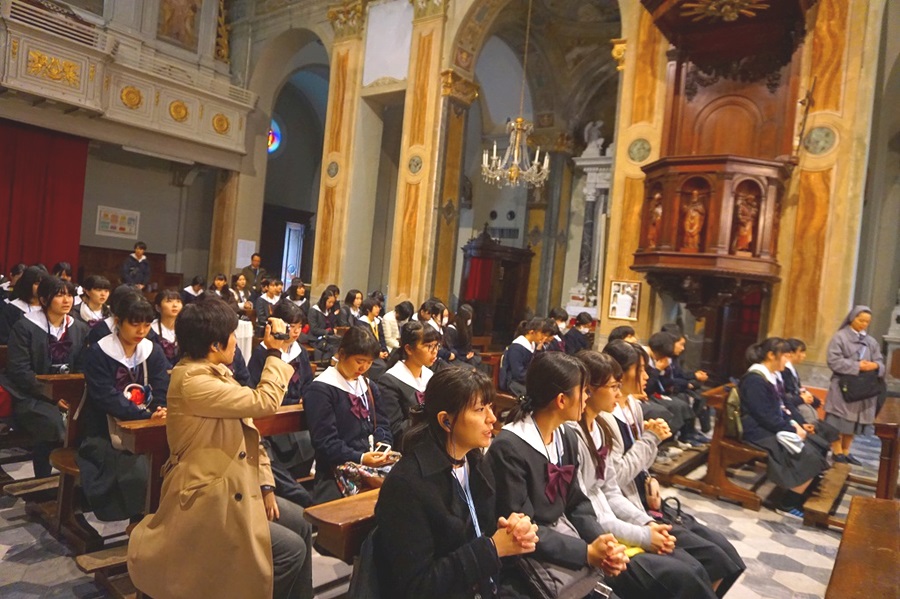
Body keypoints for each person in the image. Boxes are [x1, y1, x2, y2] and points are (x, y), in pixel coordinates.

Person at [126, 301, 313, 599]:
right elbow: (264, 402)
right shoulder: (192, 380)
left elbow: (250, 431)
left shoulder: (217, 372)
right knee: (290, 551)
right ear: (215, 345)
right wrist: (274, 352)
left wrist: (266, 484)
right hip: (209, 496)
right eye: (232, 335)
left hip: (238, 483)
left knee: (301, 522)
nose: (236, 342)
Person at [574, 350, 742, 598]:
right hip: (600, 536)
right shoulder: (577, 434)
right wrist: (644, 534)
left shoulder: (602, 427)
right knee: (686, 572)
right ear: (588, 390)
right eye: (614, 386)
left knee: (708, 561)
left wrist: (648, 523)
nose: (645, 377)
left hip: (627, 514)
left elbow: (610, 489)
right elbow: (589, 507)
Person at [374, 367, 538, 598]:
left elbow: (487, 534)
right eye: (480, 409)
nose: (492, 418)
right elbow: (418, 587)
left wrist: (513, 533)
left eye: (490, 406)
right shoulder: (406, 485)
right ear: (446, 421)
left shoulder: (476, 462)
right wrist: (492, 549)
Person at [489, 352, 629, 596]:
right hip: (528, 559)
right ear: (561, 400)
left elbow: (577, 503)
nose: (587, 397)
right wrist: (585, 552)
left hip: (563, 543)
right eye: (583, 391)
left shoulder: (566, 436)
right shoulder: (509, 448)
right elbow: (522, 528)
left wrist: (603, 542)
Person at [77, 293, 169, 521]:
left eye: (147, 324)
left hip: (148, 425)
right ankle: (139, 520)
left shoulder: (153, 351)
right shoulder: (99, 352)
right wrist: (143, 415)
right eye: (135, 324)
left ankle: (156, 521)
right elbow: (104, 396)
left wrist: (160, 409)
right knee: (137, 471)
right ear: (118, 321)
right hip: (104, 429)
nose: (142, 330)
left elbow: (161, 387)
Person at [0, 276, 89, 477]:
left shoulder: (79, 328)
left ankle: (77, 482)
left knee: (89, 419)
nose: (67, 300)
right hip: (30, 394)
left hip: (68, 395)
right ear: (43, 299)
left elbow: (82, 366)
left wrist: (71, 394)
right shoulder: (25, 327)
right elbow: (19, 371)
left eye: (70, 295)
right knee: (51, 422)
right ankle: (43, 479)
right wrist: (53, 397)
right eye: (59, 295)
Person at [740, 337, 828, 518]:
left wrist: (796, 423)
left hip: (770, 426)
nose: (787, 361)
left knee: (818, 444)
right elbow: (764, 415)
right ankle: (788, 503)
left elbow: (781, 406)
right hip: (757, 431)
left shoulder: (772, 376)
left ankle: (801, 487)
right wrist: (791, 429)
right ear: (771, 355)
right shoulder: (755, 379)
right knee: (808, 455)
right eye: (785, 356)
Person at [303, 327, 393, 504]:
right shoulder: (321, 389)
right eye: (359, 361)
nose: (364, 367)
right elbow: (325, 442)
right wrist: (360, 458)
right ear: (342, 354)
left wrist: (383, 444)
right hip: (335, 470)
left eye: (369, 362)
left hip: (370, 464)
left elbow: (382, 424)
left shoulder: (368, 386)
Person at [248, 301, 315, 507]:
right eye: (291, 327)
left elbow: (308, 381)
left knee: (308, 443)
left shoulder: (299, 352)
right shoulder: (262, 353)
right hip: (273, 414)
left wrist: (306, 396)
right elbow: (254, 387)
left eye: (299, 327)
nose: (295, 332)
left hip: (296, 412)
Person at [824, 306, 886, 465]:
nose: (864, 324)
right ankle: (837, 451)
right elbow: (833, 361)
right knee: (839, 420)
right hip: (844, 387)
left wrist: (875, 366)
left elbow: (880, 361)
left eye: (867, 322)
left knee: (854, 422)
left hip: (863, 388)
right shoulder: (840, 337)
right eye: (861, 320)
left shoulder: (871, 341)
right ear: (852, 318)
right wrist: (857, 366)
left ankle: (846, 451)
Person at [378, 321, 441, 447]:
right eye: (429, 346)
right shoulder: (390, 381)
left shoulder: (430, 376)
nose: (435, 351)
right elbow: (396, 429)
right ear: (408, 349)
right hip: (409, 446)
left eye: (436, 345)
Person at [499, 318, 554, 397]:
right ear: (532, 332)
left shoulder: (534, 345)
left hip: (527, 380)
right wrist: (535, 379)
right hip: (513, 382)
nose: (544, 337)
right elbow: (518, 373)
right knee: (539, 395)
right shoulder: (516, 347)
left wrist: (538, 350)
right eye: (542, 333)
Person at [0, 266, 46, 344]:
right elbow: (4, 338)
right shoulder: (12, 308)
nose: (41, 287)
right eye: (37, 284)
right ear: (28, 284)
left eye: (43, 284)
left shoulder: (50, 308)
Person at [355, 297, 389, 379]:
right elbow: (364, 342)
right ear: (368, 309)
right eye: (375, 307)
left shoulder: (378, 322)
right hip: (367, 352)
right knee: (381, 366)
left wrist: (384, 350)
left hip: (379, 352)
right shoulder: (361, 323)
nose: (378, 309)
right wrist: (377, 353)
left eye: (379, 307)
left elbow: (382, 338)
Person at [148, 290, 182, 369]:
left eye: (178, 301)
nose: (175, 305)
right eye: (169, 301)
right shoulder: (150, 329)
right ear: (158, 307)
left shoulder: (185, 328)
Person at [445, 303, 484, 369]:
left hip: (466, 355)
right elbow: (450, 349)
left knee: (478, 361)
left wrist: (469, 353)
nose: (469, 321)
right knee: (470, 368)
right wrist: (464, 357)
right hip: (455, 358)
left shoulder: (466, 328)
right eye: (467, 319)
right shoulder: (451, 329)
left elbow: (467, 345)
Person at [308, 289, 340, 363]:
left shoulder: (329, 311)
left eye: (333, 302)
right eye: (329, 302)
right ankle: (325, 363)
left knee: (339, 344)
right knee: (331, 348)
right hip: (315, 338)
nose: (331, 304)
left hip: (328, 337)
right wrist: (327, 332)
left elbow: (332, 324)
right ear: (323, 300)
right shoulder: (314, 311)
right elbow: (314, 329)